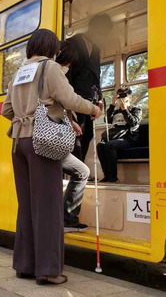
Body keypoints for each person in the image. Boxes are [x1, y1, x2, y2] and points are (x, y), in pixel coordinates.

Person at [1, 29, 101, 285]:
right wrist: (92, 109)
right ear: (51, 47)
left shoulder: (20, 71)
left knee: (27, 205)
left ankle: (24, 265)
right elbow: (69, 98)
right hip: (42, 142)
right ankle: (47, 270)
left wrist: (25, 119)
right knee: (48, 206)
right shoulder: (50, 67)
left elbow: (6, 110)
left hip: (18, 143)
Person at [56, 40, 92, 231]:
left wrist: (70, 121)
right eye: (68, 65)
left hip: (28, 140)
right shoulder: (55, 75)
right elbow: (72, 100)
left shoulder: (35, 74)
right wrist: (94, 108)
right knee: (82, 171)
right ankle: (67, 218)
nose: (68, 69)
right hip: (49, 143)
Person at [67, 14, 113, 166]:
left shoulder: (96, 49)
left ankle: (78, 178)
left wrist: (99, 99)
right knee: (75, 139)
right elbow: (68, 73)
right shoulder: (72, 43)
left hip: (90, 102)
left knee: (86, 137)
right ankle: (74, 177)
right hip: (75, 99)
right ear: (93, 28)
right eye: (102, 32)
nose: (103, 36)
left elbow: (97, 76)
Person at [97, 86, 142, 183]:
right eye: (119, 97)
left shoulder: (136, 110)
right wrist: (113, 104)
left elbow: (133, 123)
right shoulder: (116, 111)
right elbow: (107, 120)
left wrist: (125, 109)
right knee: (100, 145)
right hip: (117, 137)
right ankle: (107, 176)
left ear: (130, 98)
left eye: (124, 96)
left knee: (110, 145)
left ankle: (113, 177)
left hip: (129, 139)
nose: (121, 99)